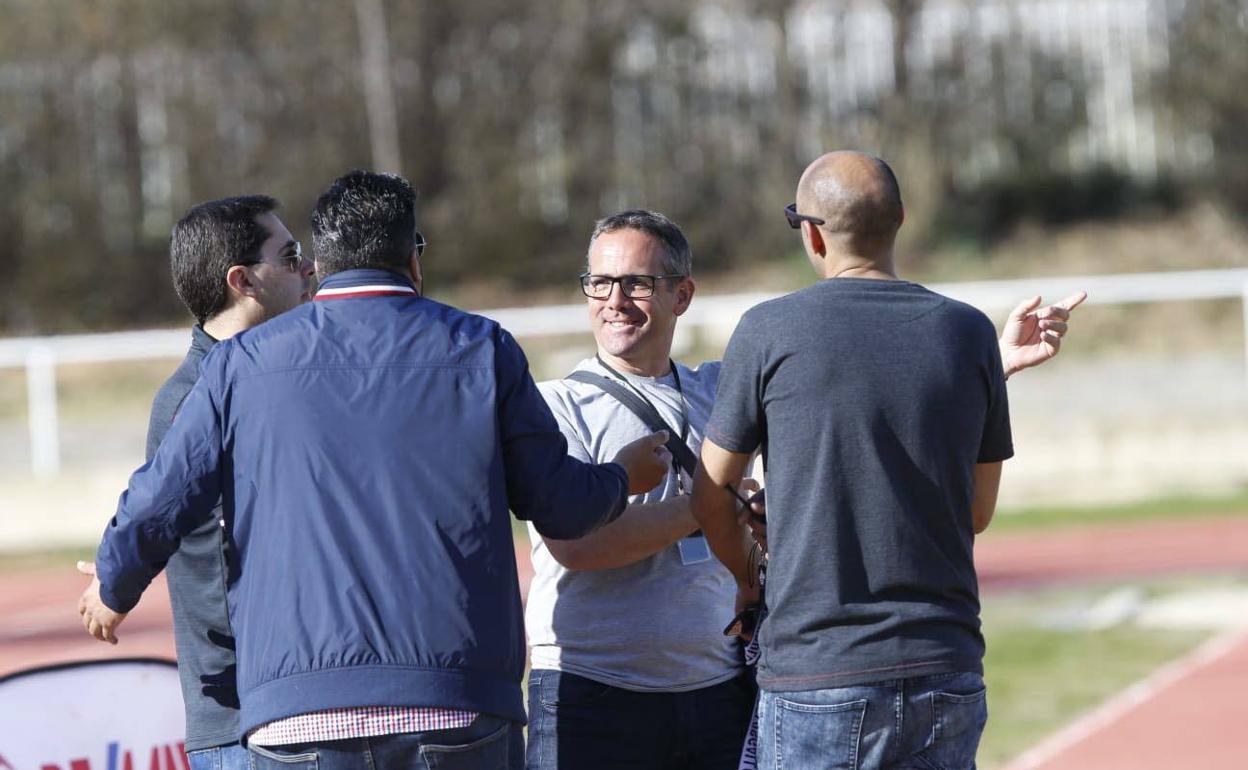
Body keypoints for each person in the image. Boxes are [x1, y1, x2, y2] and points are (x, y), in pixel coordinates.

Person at [78, 170, 670, 769]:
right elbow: (563, 506)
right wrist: (621, 477)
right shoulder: (481, 348)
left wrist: (113, 582)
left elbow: (161, 498)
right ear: (413, 259)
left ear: (323, 262)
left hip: (295, 713)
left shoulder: (238, 364)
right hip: (454, 703)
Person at [526, 207, 1084, 769]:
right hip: (592, 691)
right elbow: (576, 544)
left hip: (717, 690)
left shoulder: (721, 386)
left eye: (636, 283)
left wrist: (992, 364)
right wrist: (712, 505)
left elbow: (859, 393)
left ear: (682, 295)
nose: (613, 300)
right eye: (599, 282)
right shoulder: (556, 406)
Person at [692, 150, 1040, 770]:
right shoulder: (967, 333)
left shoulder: (769, 329)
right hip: (945, 663)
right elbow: (976, 512)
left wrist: (750, 577)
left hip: (817, 671)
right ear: (902, 218)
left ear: (812, 232)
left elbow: (710, 489)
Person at [76, 195, 314, 770]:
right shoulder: (194, 398)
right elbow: (158, 517)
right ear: (242, 281)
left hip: (302, 704)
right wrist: (116, 577)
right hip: (245, 722)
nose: (309, 267)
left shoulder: (288, 374)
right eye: (290, 255)